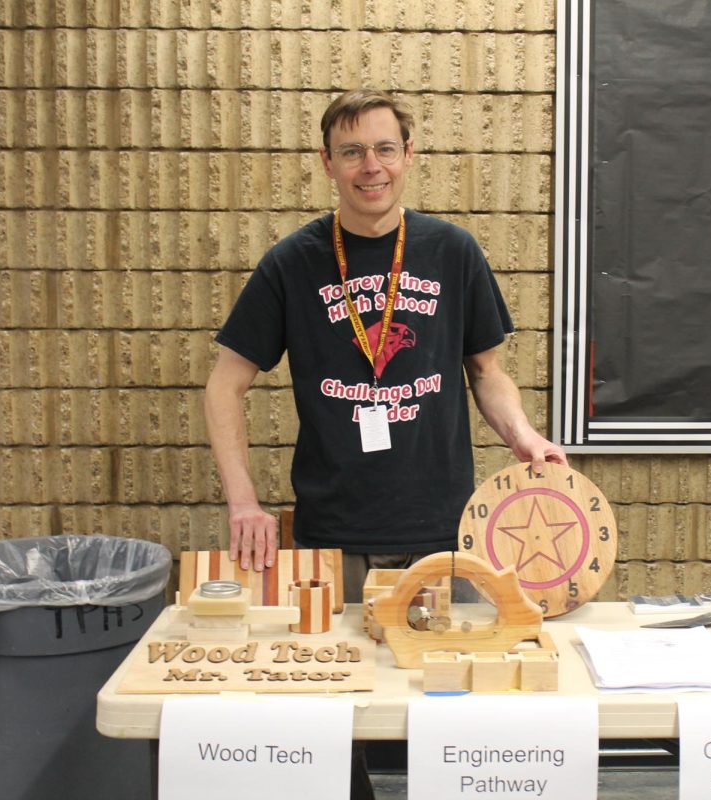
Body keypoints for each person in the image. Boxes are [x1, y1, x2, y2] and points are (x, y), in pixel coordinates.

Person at [204, 88, 565, 799]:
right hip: (336, 535)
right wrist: (243, 502)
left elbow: (488, 372)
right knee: (334, 710)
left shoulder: (452, 252)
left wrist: (524, 437)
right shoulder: (294, 263)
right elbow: (224, 385)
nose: (371, 166)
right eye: (352, 152)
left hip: (442, 530)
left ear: (408, 156)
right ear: (327, 163)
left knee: (456, 704)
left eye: (384, 148)